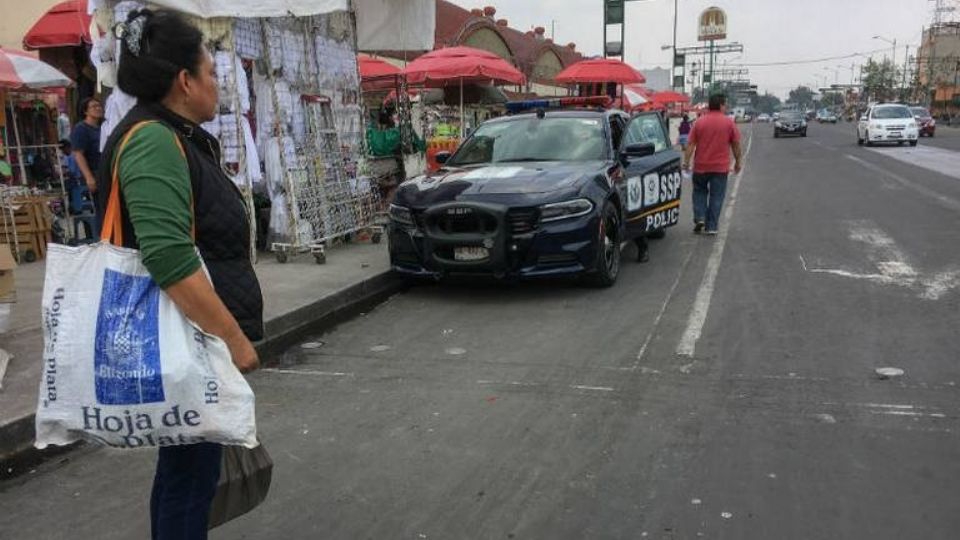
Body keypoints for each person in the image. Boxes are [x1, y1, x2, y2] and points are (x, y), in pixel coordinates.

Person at [98, 9, 263, 539]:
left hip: (187, 337)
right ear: (184, 80)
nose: (217, 83)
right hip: (183, 343)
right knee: (190, 478)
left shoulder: (175, 134)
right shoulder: (153, 139)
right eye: (211, 72)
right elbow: (168, 255)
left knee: (184, 472)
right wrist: (233, 338)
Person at [682, 94, 742, 236]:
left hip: (701, 166)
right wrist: (738, 162)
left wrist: (686, 162)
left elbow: (690, 144)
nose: (726, 107)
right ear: (721, 105)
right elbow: (736, 145)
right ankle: (712, 226)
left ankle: (700, 217)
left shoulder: (699, 122)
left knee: (699, 192)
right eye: (725, 104)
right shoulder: (729, 123)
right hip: (720, 168)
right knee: (717, 196)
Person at [70, 97, 104, 194]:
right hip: (94, 172)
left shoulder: (103, 127)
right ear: (85, 111)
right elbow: (78, 154)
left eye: (99, 106)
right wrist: (89, 177)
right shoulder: (81, 129)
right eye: (94, 106)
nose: (98, 108)